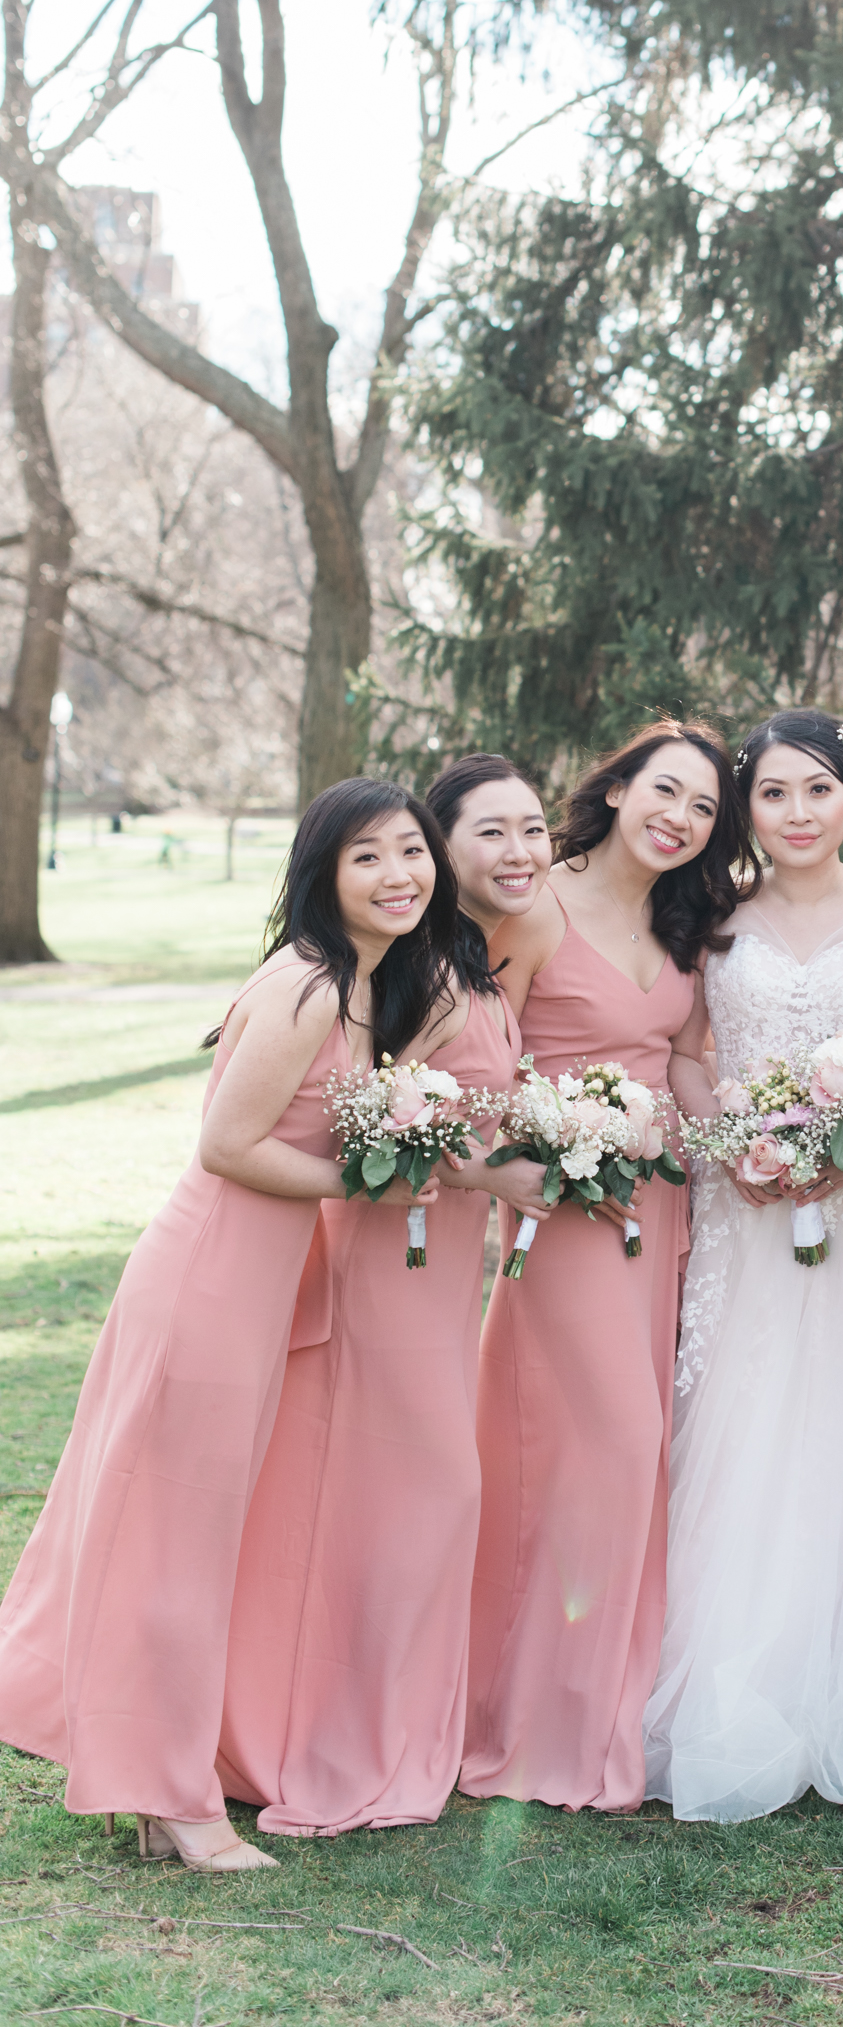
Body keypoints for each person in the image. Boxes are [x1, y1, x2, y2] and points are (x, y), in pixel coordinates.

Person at [0, 779, 469, 1871]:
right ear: (323, 874)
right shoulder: (308, 983)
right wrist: (365, 1186)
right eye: (369, 857)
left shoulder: (361, 985)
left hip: (266, 1291)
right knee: (177, 1539)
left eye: (412, 851)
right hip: (212, 1280)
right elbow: (225, 1144)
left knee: (196, 1538)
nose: (400, 873)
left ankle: (163, 1770)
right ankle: (175, 1800)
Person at [215, 757, 544, 1833]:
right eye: (480, 834)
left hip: (446, 1268)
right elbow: (366, 1114)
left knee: (405, 1497)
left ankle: (361, 1723)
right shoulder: (427, 978)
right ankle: (354, 1742)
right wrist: (503, 1171)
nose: (512, 853)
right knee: (422, 1494)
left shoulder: (458, 960)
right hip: (391, 1259)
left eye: (529, 830)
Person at [463, 720, 751, 1812]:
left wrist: (737, 1145)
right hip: (562, 1212)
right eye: (663, 792)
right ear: (619, 785)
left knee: (631, 1453)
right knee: (610, 1447)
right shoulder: (537, 905)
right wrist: (529, 1145)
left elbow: (678, 1056)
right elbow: (474, 1044)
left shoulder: (686, 924)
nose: (677, 819)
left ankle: (598, 1711)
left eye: (701, 811)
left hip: (659, 1206)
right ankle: (537, 1726)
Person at [644, 709, 843, 1820]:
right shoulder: (711, 915)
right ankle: (726, 1683)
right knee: (739, 1420)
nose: (796, 813)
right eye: (772, 794)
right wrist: (732, 1145)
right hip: (742, 1209)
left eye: (818, 790)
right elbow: (680, 1051)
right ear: (746, 804)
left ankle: (842, 1679)